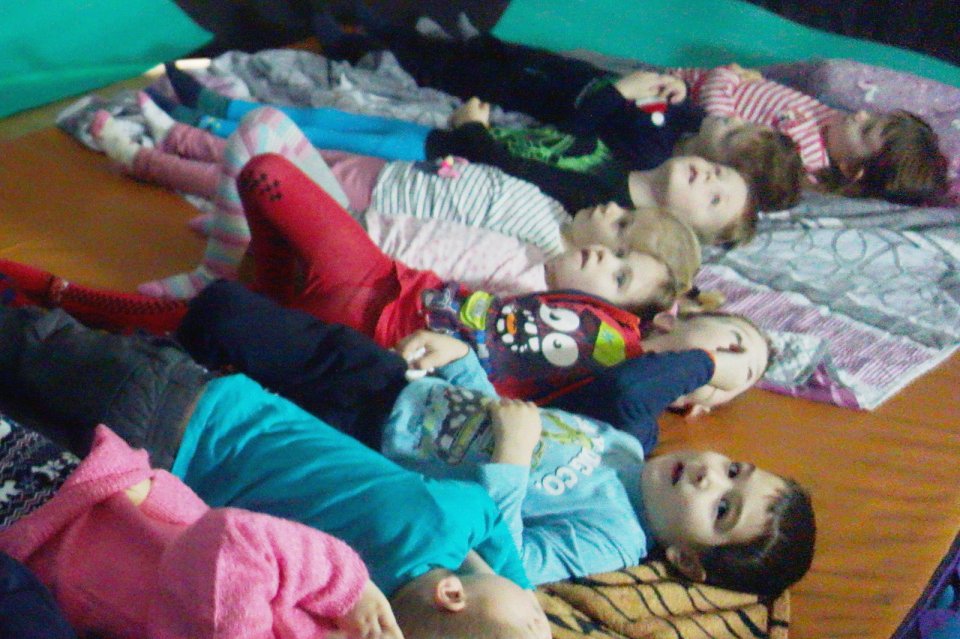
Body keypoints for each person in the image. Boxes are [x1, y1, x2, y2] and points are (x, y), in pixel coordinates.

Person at [0, 290, 815, 598]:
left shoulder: (613, 535)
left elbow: (510, 560)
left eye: (722, 506)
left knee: (70, 388)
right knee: (209, 321)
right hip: (404, 392)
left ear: (687, 560)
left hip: (362, 447)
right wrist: (460, 362)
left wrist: (509, 459)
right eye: (733, 469)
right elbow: (513, 407)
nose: (710, 474)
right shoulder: (627, 449)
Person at [0, 304, 550, 639]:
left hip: (192, 408)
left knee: (28, 345)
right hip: (133, 495)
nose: (540, 614)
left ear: (451, 594)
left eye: (532, 621)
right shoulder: (341, 611)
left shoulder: (438, 520)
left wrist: (519, 584)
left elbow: (488, 512)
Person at [93, 102, 701, 299]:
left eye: (621, 232)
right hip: (386, 186)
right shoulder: (557, 219)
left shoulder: (539, 261)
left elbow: (436, 250)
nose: (610, 215)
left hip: (363, 218)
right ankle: (176, 135)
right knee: (264, 143)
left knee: (251, 169)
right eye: (624, 217)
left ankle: (146, 162)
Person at [323, 20, 946, 206]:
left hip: (634, 98)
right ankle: (434, 37)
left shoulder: (796, 157)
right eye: (871, 117)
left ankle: (378, 46)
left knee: (506, 80)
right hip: (644, 88)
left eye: (866, 132)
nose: (855, 117)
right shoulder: (822, 117)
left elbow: (718, 117)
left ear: (854, 172)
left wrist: (720, 88)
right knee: (528, 61)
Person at [163, 64, 771, 247]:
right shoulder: (620, 165)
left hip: (435, 161)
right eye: (719, 171)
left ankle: (197, 131)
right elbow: (564, 133)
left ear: (686, 227)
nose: (708, 173)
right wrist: (621, 93)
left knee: (316, 149)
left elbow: (515, 172)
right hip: (445, 140)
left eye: (714, 196)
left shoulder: (602, 203)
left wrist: (476, 130)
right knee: (330, 123)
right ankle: (214, 108)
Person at [0, 413, 403, 639]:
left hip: (38, 560)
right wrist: (348, 590)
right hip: (68, 502)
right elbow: (229, 539)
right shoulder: (320, 622)